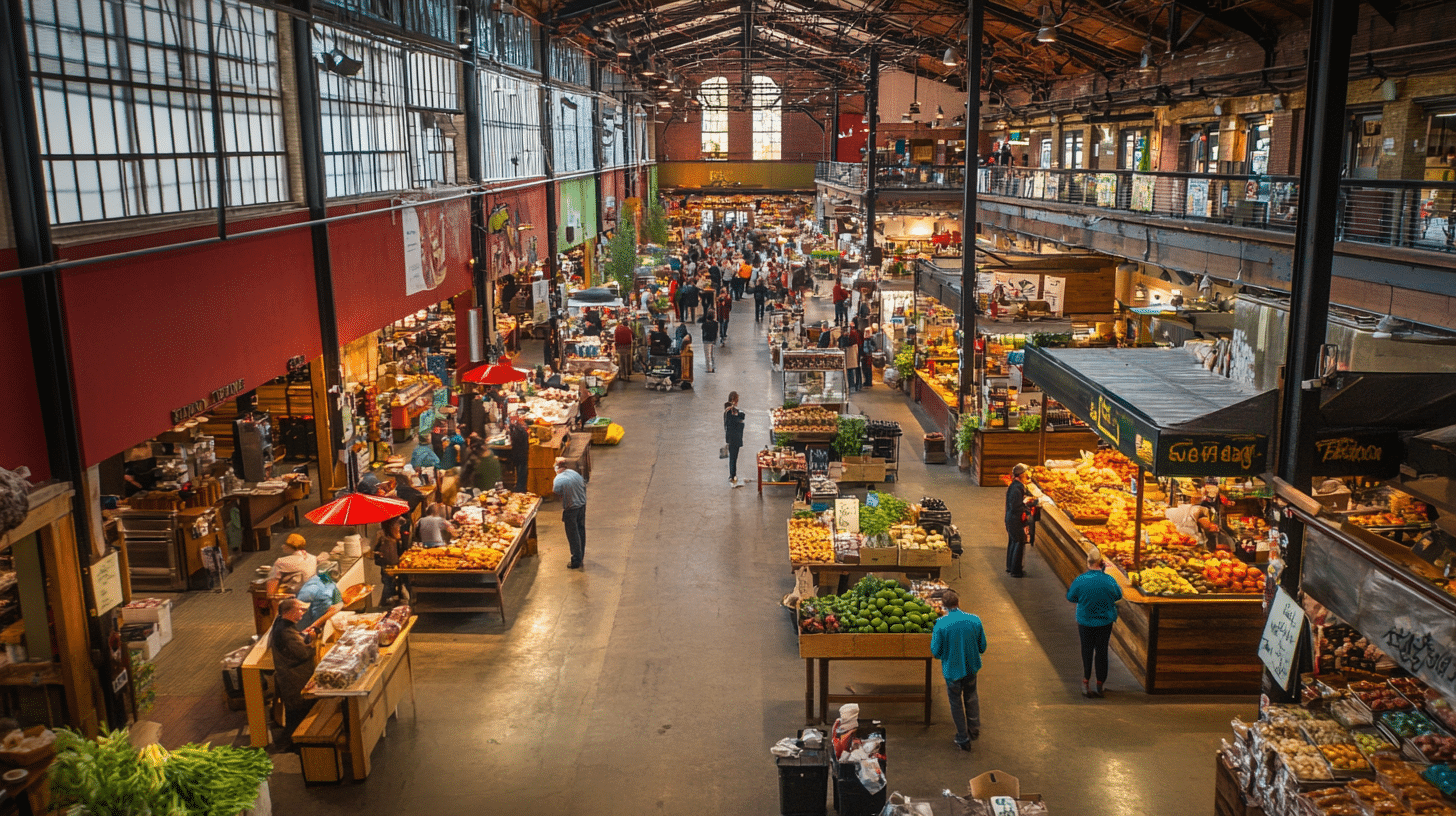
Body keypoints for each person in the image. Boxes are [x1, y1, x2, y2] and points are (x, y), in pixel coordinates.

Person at [930, 589, 987, 750]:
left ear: (943, 606)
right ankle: (974, 729)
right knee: (971, 696)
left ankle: (962, 737)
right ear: (958, 602)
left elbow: (936, 652)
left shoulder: (941, 624)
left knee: (955, 703)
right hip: (971, 668)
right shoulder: (975, 620)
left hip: (952, 672)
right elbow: (982, 647)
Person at [1066, 547, 1122, 698]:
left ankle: (1086, 681)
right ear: (1101, 563)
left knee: (1087, 650)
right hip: (1104, 621)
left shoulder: (1080, 580)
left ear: (1088, 562)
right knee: (1102, 651)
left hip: (1085, 620)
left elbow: (1071, 597)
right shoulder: (1109, 580)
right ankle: (1100, 683)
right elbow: (1118, 595)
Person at [269, 598, 316, 740]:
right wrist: (313, 640)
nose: (303, 612)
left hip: (289, 677)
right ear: (288, 612)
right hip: (294, 679)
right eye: (300, 609)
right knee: (298, 714)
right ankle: (293, 743)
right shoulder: (286, 632)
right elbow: (303, 653)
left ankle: (291, 741)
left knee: (294, 714)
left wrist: (303, 637)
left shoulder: (281, 623)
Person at [553, 458, 588, 569]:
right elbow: (583, 485)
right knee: (581, 530)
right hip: (582, 506)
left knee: (573, 534)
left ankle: (576, 560)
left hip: (571, 508)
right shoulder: (575, 474)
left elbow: (556, 492)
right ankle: (581, 555)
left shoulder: (558, 479)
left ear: (557, 467)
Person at [1005, 463, 1038, 577]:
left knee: (1013, 542)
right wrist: (1027, 506)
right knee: (1019, 543)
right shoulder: (1016, 488)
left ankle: (1010, 567)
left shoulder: (1015, 486)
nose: (1028, 476)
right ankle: (1016, 571)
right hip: (1016, 520)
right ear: (1022, 475)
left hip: (1011, 519)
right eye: (1026, 473)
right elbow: (1015, 506)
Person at [295, 556, 343, 633]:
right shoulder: (327, 587)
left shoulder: (313, 580)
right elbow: (336, 607)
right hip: (305, 629)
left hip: (298, 626)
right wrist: (314, 626)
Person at [375, 517, 405, 604]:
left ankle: (389, 601)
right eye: (396, 523)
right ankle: (384, 603)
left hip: (393, 563)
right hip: (388, 565)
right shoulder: (383, 534)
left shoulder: (393, 533)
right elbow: (376, 548)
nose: (398, 525)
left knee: (391, 583)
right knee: (388, 584)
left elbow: (403, 521)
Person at [724, 391, 746, 488]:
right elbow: (738, 418)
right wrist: (740, 418)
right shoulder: (730, 411)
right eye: (736, 400)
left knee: (734, 457)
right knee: (733, 457)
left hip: (734, 437)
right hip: (733, 437)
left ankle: (733, 474)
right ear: (733, 400)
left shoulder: (732, 410)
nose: (737, 402)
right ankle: (732, 475)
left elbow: (742, 416)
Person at [507, 413, 531, 492]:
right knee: (521, 471)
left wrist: (510, 428)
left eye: (511, 418)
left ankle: (520, 489)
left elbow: (516, 438)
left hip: (520, 453)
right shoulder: (518, 427)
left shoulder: (518, 428)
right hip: (522, 452)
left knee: (521, 471)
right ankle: (520, 487)